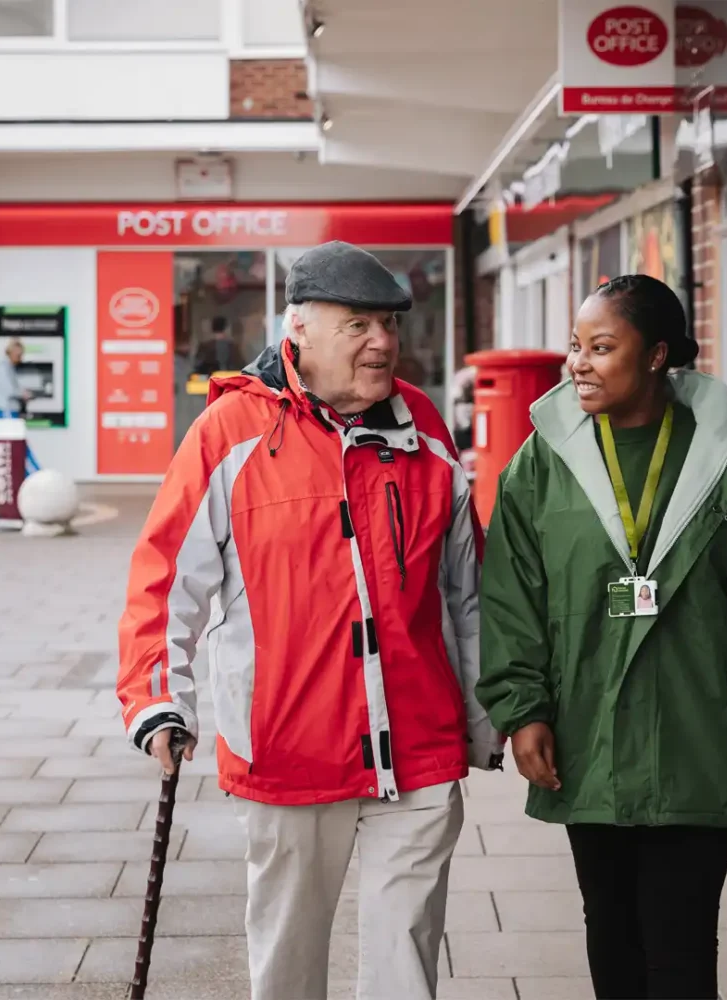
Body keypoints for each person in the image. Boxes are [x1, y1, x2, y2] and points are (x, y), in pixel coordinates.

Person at [116, 241, 503, 1000]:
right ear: (298, 328)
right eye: (358, 324)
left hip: (419, 746)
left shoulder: (423, 425)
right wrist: (158, 700)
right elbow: (163, 583)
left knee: (407, 963)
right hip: (289, 749)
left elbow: (468, 589)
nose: (382, 341)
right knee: (289, 962)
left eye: (389, 324)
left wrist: (491, 713)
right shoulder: (229, 432)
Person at [475, 274, 727, 1000]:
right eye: (576, 346)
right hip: (587, 733)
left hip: (696, 732)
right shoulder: (540, 466)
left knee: (682, 942)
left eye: (601, 347)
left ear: (658, 355)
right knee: (611, 930)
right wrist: (522, 710)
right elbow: (512, 601)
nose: (578, 363)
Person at [0, 338, 41, 483]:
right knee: (15, 444)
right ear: (11, 352)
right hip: (5, 412)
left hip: (6, 411)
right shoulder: (2, 368)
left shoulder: (8, 368)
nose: (20, 358)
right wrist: (24, 394)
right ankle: (35, 475)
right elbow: (9, 390)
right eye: (19, 354)